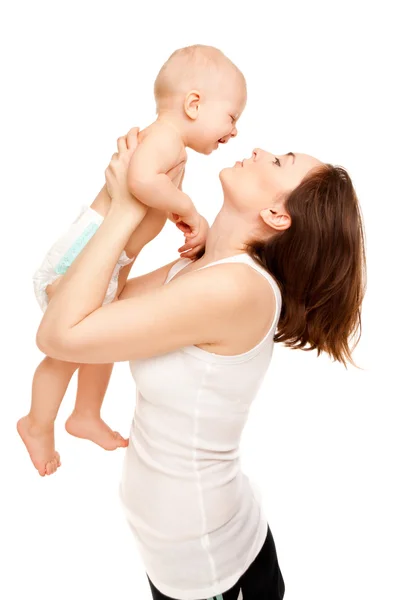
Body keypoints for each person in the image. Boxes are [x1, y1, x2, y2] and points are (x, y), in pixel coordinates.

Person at [35, 129, 366, 600]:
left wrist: (126, 211)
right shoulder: (198, 269)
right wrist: (129, 214)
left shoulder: (236, 290)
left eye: (278, 162)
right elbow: (70, 306)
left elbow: (59, 336)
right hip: (180, 550)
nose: (259, 150)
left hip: (213, 565)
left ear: (276, 214)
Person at [17, 44, 246, 477]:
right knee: (67, 351)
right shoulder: (164, 138)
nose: (234, 131)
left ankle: (84, 414)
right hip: (81, 257)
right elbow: (140, 181)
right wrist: (189, 207)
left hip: (110, 259)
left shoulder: (170, 144)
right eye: (232, 116)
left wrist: (174, 209)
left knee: (100, 338)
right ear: (194, 104)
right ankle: (36, 424)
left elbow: (148, 189)